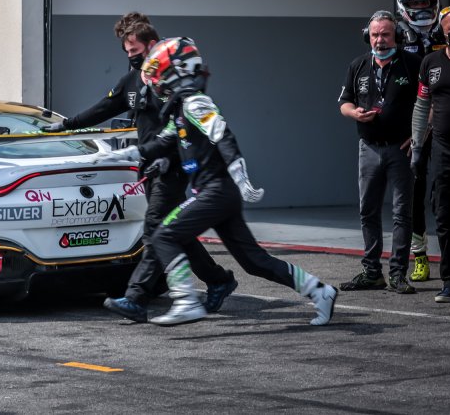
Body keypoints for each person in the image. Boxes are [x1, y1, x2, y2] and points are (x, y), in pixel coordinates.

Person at [116, 37, 338, 326]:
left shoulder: (196, 103)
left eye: (160, 73)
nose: (156, 81)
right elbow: (160, 144)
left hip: (216, 191)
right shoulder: (180, 109)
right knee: (254, 262)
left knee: (163, 235)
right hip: (216, 193)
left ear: (178, 71)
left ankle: (186, 301)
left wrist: (240, 175)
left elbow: (223, 136)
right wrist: (124, 154)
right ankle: (320, 291)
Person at [43, 13, 236, 323]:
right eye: (127, 52)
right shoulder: (132, 81)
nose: (131, 57)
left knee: (155, 228)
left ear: (152, 45)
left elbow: (184, 127)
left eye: (135, 51)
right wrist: (67, 125)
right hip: (147, 166)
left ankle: (136, 297)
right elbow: (104, 108)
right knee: (174, 231)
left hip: (171, 167)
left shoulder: (172, 80)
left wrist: (169, 157)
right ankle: (217, 280)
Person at [336, 11, 420, 294]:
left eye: (385, 34)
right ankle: (372, 273)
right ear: (367, 36)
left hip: (401, 149)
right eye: (375, 35)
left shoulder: (412, 64)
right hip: (369, 147)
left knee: (402, 213)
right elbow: (344, 103)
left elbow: (429, 103)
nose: (380, 40)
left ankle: (398, 274)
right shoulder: (358, 65)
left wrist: (419, 134)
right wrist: (355, 114)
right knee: (368, 211)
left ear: (397, 36)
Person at [396, 0, 446, 282]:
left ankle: (449, 257)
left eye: (424, 2)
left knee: (443, 193)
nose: (421, 8)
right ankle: (420, 256)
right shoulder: (396, 36)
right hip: (411, 129)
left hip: (442, 126)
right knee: (413, 191)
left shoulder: (448, 31)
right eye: (414, 3)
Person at [411, 5, 450, 303]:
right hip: (443, 151)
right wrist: (417, 147)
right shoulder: (431, 63)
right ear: (442, 32)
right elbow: (421, 107)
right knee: (445, 215)